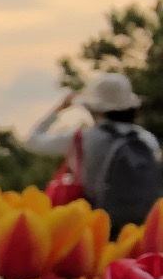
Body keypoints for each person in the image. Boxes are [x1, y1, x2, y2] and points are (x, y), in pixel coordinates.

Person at [23, 72, 160, 230]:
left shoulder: (81, 138)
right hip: (141, 225)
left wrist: (60, 109)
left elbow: (32, 141)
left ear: (93, 108)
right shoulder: (145, 139)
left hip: (94, 228)